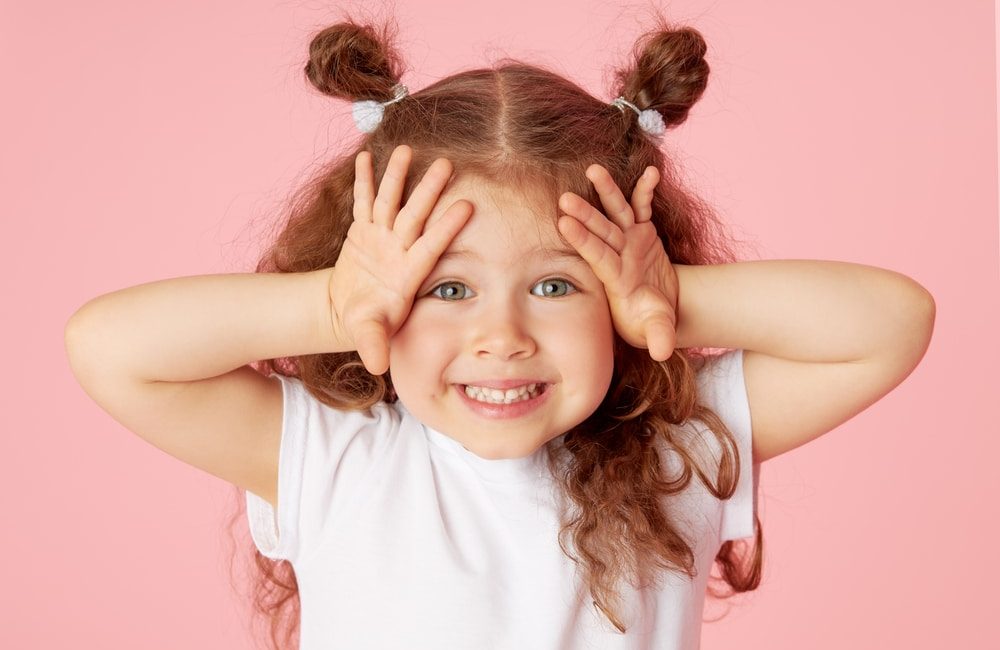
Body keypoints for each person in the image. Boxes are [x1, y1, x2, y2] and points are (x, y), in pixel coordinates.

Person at [63, 16, 936, 650]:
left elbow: (890, 324)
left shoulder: (675, 451)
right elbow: (112, 350)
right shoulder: (335, 456)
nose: (501, 335)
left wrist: (668, 301)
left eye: (555, 284)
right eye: (447, 288)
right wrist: (331, 306)